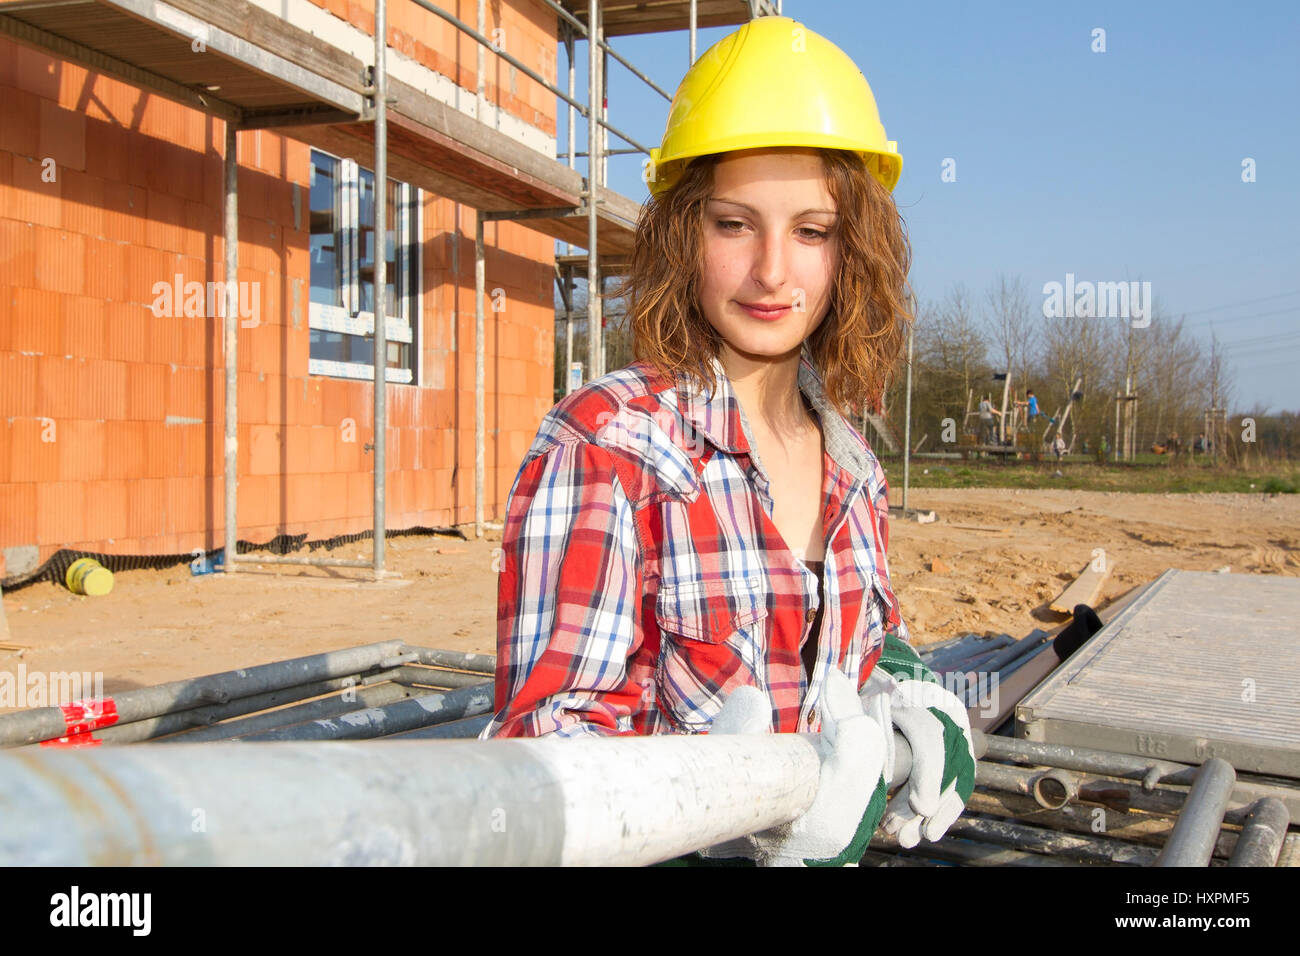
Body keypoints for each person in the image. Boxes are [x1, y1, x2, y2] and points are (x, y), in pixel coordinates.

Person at [481, 16, 973, 867]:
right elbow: (543, 765)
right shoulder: (610, 445)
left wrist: (910, 690)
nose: (773, 271)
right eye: (735, 224)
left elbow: (855, 644)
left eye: (812, 231)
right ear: (684, 233)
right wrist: (732, 801)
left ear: (853, 250)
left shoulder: (856, 470)